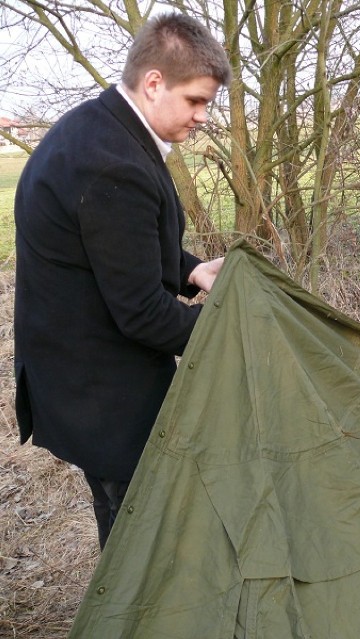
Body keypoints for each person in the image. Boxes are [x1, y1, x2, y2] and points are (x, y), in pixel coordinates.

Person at [14, 13, 232, 549]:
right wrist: (229, 328)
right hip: (100, 391)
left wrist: (191, 270)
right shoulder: (112, 164)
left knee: (129, 519)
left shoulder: (101, 126)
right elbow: (141, 312)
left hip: (79, 372)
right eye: (196, 101)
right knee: (139, 540)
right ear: (154, 82)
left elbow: (113, 247)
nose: (203, 116)